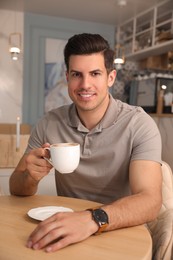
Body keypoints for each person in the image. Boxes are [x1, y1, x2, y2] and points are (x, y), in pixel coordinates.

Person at [9, 33, 162, 253]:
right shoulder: (48, 123)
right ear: (67, 77)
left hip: (120, 230)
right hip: (67, 228)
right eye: (76, 75)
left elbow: (150, 201)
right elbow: (16, 187)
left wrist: (92, 219)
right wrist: (29, 177)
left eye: (95, 73)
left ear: (111, 78)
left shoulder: (139, 124)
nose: (85, 84)